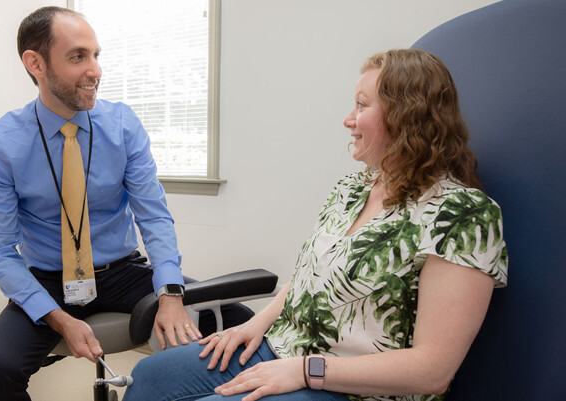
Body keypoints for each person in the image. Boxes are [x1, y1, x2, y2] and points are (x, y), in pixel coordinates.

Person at [123, 49, 509, 401]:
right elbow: (307, 280)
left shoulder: (462, 215)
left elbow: (433, 371)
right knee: (148, 377)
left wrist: (306, 370)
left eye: (361, 105)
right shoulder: (352, 189)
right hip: (285, 349)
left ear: (406, 116)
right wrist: (255, 325)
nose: (348, 119)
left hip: (357, 388)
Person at [0, 6, 252, 400]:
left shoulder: (121, 125)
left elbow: (154, 217)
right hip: (48, 281)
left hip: (122, 272)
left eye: (96, 55)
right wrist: (59, 319)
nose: (95, 70)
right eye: (78, 56)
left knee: (238, 319)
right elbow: (1, 252)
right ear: (36, 64)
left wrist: (170, 294)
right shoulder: (1, 144)